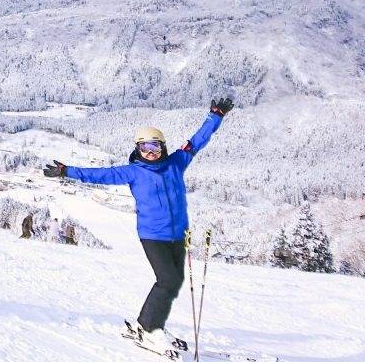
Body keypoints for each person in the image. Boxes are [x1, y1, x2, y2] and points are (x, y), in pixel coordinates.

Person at [43, 97, 234, 356]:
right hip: (153, 235)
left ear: (163, 147)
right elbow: (99, 175)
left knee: (174, 281)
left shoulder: (177, 161)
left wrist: (216, 116)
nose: (150, 152)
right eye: (144, 147)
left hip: (179, 234)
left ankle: (151, 324)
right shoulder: (133, 172)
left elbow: (198, 139)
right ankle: (148, 328)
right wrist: (68, 171)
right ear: (138, 149)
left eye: (155, 146)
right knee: (167, 280)